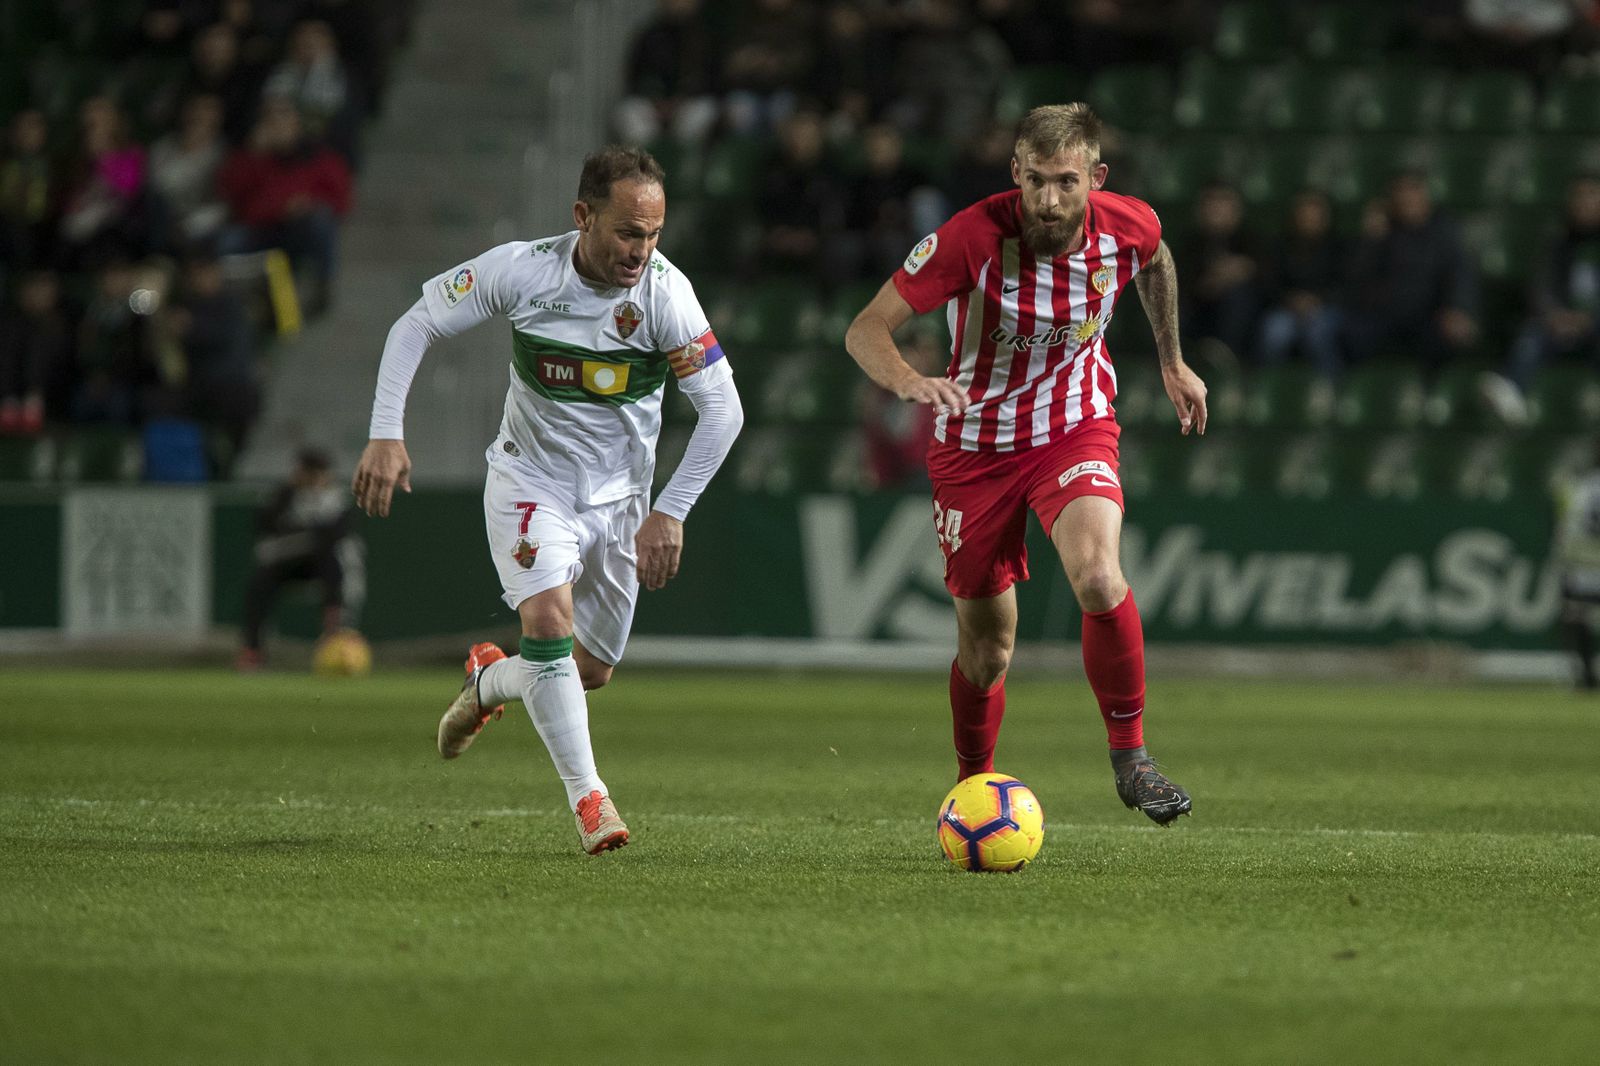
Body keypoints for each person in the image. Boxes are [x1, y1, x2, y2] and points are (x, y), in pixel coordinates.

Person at [351, 146, 744, 855]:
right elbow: (415, 324)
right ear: (582, 216)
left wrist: (670, 509)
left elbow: (723, 411)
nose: (641, 251)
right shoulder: (522, 269)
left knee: (586, 668)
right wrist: (386, 432)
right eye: (628, 232)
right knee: (547, 619)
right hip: (530, 479)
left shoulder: (665, 294)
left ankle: (489, 681)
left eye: (654, 235)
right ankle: (590, 799)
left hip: (622, 501)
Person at [844, 103, 1205, 824]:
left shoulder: (1128, 224)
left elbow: (1155, 258)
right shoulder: (970, 236)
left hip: (1075, 428)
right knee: (988, 653)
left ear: (1095, 179)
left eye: (1066, 182)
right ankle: (973, 787)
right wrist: (908, 381)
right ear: (1015, 172)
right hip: (975, 450)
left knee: (1099, 575)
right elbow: (866, 328)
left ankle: (1132, 759)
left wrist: (1172, 359)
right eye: (1035, 180)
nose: (1048, 200)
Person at [238, 448, 365, 671]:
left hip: (318, 563)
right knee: (260, 582)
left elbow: (335, 535)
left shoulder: (335, 498)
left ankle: (332, 629)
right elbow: (264, 525)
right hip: (287, 562)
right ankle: (252, 650)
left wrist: (302, 531)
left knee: (331, 561)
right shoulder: (284, 495)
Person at [1506, 174, 1600, 392]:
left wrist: (1590, 318)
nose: (1585, 204)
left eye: (1592, 197)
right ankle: (1511, 397)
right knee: (1530, 338)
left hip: (1595, 322)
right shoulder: (1556, 243)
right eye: (1580, 197)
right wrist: (1555, 315)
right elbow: (1540, 287)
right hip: (1558, 323)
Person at [1555, 438, 1600, 692]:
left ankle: (1585, 676)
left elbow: (1565, 530)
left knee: (1576, 617)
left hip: (1584, 567)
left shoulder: (1578, 487)